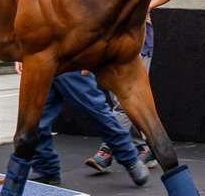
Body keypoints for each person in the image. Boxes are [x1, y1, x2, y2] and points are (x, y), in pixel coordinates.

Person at [87, 0, 186, 172]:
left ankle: (108, 149)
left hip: (137, 44)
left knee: (123, 102)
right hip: (113, 44)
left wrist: (149, 6)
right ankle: (144, 149)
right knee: (120, 101)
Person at [14, 63, 149, 188]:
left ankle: (129, 159)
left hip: (70, 59)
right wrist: (21, 56)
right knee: (36, 118)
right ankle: (46, 168)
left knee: (95, 111)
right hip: (42, 60)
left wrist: (90, 57)